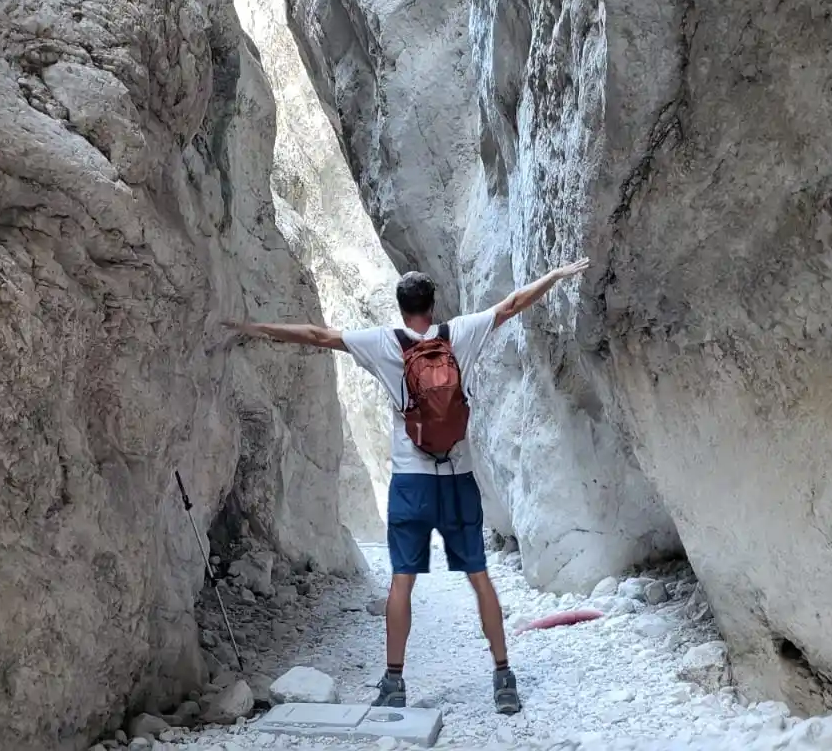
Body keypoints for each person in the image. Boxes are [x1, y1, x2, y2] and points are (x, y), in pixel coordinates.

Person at [222, 257, 590, 715]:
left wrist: (250, 326)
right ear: (432, 307)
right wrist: (553, 277)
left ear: (401, 310)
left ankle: (394, 682)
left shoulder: (383, 343)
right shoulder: (459, 334)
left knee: (402, 581)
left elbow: (318, 336)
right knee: (479, 578)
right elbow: (512, 304)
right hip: (456, 480)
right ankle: (503, 676)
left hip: (411, 483)